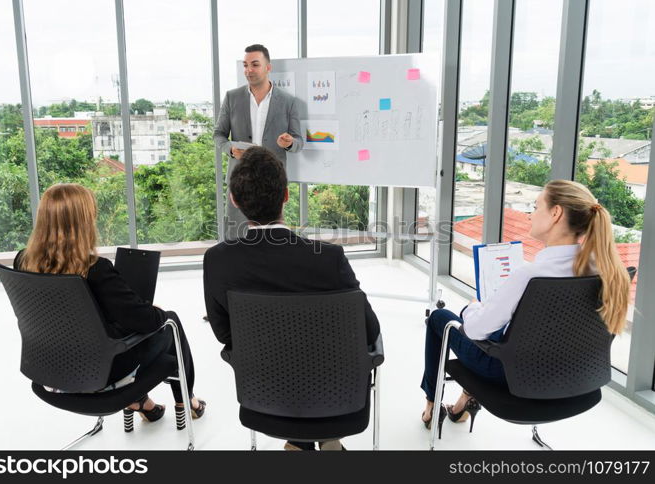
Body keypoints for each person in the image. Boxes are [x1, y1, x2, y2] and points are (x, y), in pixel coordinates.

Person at [203, 147, 381, 451]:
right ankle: (326, 439)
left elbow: (224, 334)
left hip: (265, 395)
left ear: (234, 199)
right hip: (336, 397)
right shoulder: (328, 258)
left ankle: (300, 443)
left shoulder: (218, 261)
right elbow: (369, 329)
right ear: (286, 195)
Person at [420, 180, 631, 435]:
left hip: (515, 375)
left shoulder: (531, 275)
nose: (531, 214)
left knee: (441, 318)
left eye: (536, 206)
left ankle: (431, 406)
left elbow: (475, 331)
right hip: (573, 374)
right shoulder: (608, 272)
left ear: (556, 213)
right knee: (503, 329)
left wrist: (471, 308)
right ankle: (464, 403)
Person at [14, 183, 206, 427]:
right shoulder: (95, 269)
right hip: (99, 375)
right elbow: (146, 322)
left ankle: (142, 403)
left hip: (50, 371)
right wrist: (152, 310)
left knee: (118, 323)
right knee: (170, 321)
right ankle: (186, 400)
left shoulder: (23, 261)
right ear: (83, 222)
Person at [213, 43, 303, 241]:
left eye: (254, 64)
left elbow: (298, 142)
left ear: (268, 67)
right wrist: (230, 149)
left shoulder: (288, 102)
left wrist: (288, 142)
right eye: (245, 65)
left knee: (272, 239)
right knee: (235, 238)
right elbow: (218, 134)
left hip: (272, 180)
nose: (249, 70)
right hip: (240, 178)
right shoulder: (232, 97)